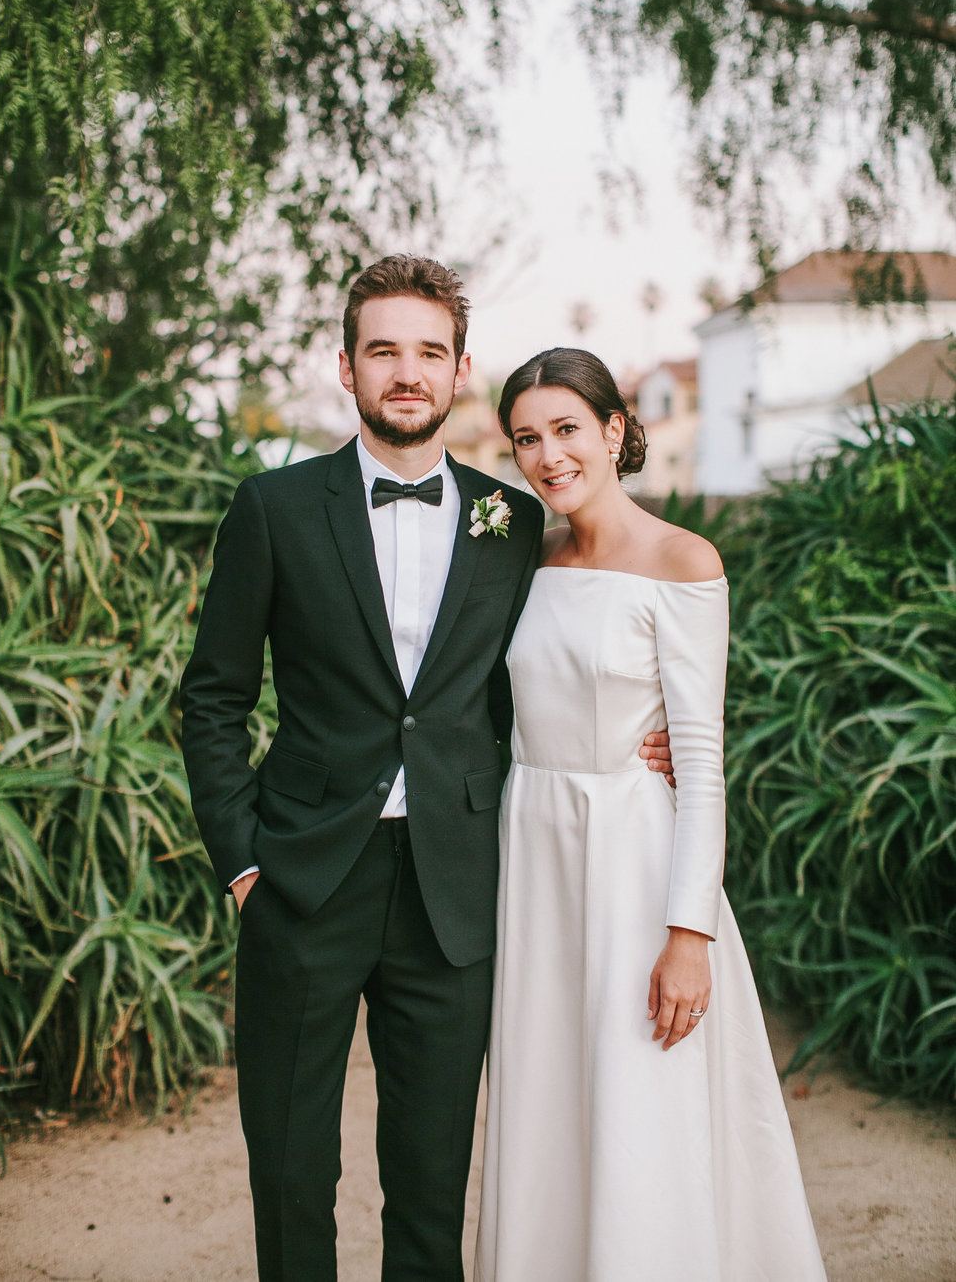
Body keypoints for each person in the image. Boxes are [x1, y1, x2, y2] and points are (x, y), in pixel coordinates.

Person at [178, 259, 675, 1281]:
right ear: (349, 367)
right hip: (303, 878)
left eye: (428, 353)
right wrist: (241, 861)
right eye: (384, 351)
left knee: (431, 1174)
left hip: (456, 883)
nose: (407, 373)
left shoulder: (511, 521)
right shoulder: (273, 508)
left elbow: (548, 669)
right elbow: (213, 699)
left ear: (457, 371)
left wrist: (635, 729)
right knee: (289, 1162)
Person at [474, 347, 827, 1282]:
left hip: (635, 864)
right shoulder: (529, 560)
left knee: (640, 1107)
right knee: (550, 1106)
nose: (548, 457)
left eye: (567, 430)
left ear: (615, 430)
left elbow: (701, 761)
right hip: (535, 862)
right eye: (526, 440)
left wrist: (688, 931)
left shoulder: (683, 559)